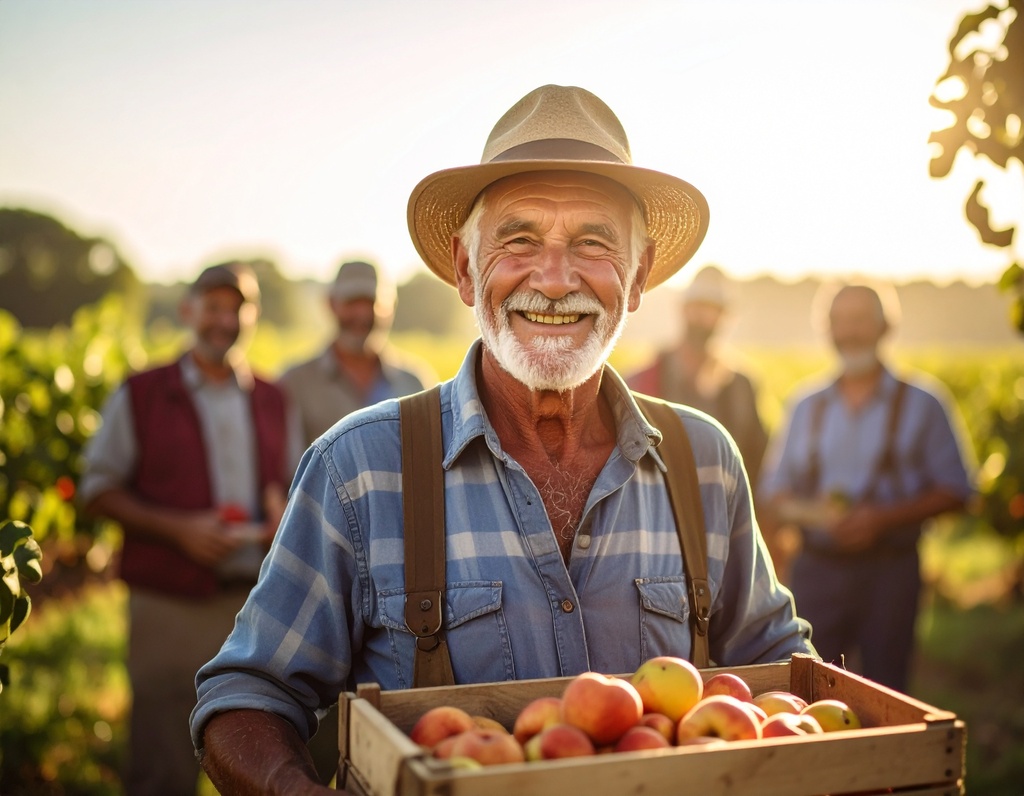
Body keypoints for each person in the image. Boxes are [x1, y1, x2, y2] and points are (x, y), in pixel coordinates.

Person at [190, 84, 815, 794]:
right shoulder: (359, 469)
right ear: (465, 269)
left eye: (593, 243)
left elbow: (780, 664)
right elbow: (247, 694)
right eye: (519, 240)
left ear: (639, 277)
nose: (553, 280)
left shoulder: (704, 462)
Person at [79, 262, 297, 796]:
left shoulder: (273, 398)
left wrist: (281, 510)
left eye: (237, 309)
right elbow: (98, 489)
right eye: (213, 307)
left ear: (253, 317)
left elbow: (290, 486)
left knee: (256, 757)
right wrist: (179, 530)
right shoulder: (142, 393)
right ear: (187, 311)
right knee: (162, 765)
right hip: (168, 605)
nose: (225, 320)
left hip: (253, 607)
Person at [758, 281, 973, 693]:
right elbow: (774, 493)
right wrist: (816, 515)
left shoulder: (924, 403)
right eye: (839, 321)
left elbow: (956, 490)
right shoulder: (805, 405)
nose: (849, 332)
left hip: (890, 571)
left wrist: (881, 519)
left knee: (888, 688)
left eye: (860, 320)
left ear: (885, 327)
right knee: (810, 686)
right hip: (817, 570)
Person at [627, 264, 769, 489]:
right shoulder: (643, 382)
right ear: (683, 309)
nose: (703, 317)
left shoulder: (742, 388)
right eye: (697, 307)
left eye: (711, 309)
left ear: (725, 316)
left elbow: (758, 462)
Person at [279, 259, 434, 447]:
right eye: (352, 303)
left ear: (391, 307)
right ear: (331, 305)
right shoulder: (296, 383)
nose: (361, 314)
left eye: (370, 303)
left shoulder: (414, 384)